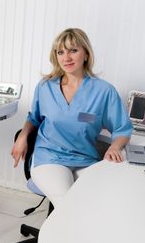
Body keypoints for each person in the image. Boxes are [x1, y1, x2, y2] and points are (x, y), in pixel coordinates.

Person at [11, 28, 133, 207]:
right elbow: (34, 118)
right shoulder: (45, 87)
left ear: (85, 54)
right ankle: (58, 235)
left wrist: (115, 147)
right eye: (61, 52)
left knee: (102, 200)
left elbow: (122, 129)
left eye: (73, 50)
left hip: (86, 159)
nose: (66, 58)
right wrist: (22, 136)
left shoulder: (104, 91)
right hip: (50, 158)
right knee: (68, 204)